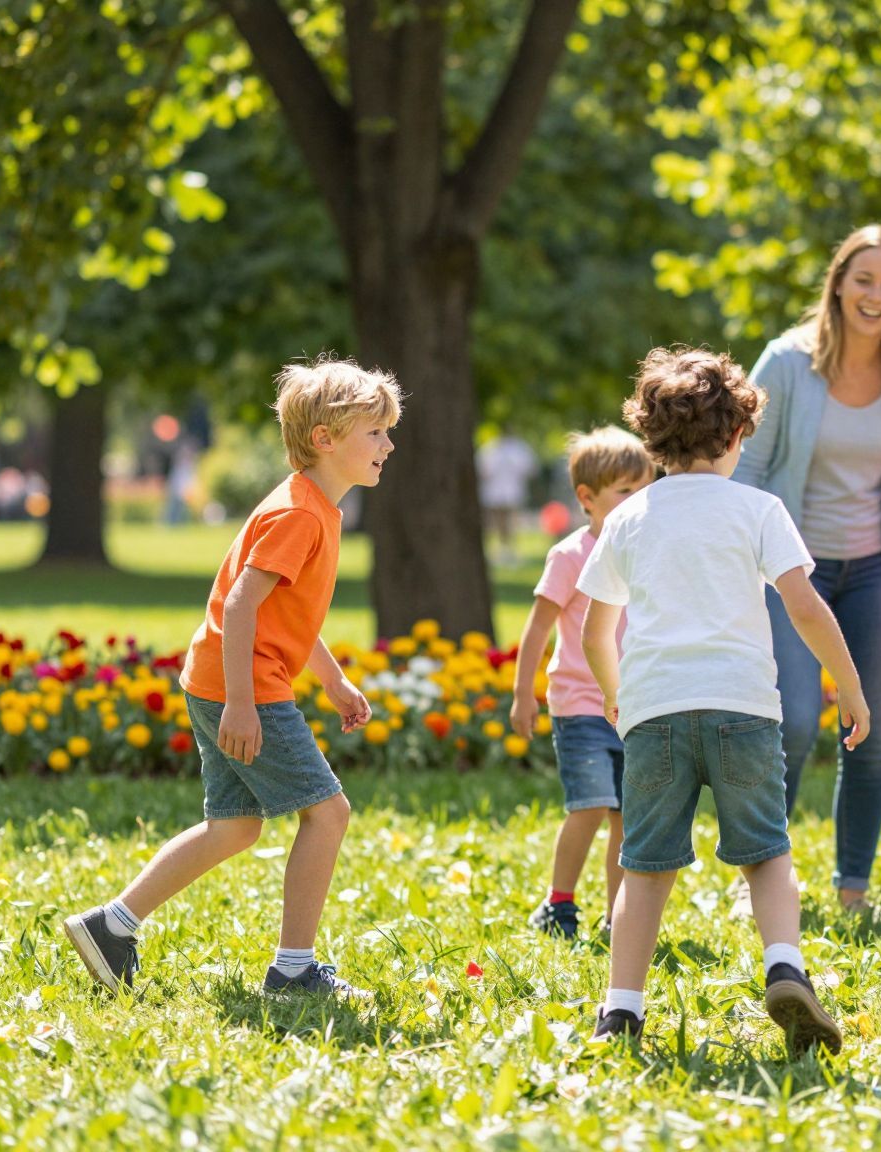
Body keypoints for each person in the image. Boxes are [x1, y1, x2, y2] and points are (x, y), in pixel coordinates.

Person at [64, 358, 400, 1000]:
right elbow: (242, 606)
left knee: (236, 826)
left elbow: (283, 616)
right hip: (240, 686)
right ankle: (294, 970)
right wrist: (244, 706)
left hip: (219, 678)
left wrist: (331, 681)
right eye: (375, 432)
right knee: (328, 815)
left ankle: (112, 926)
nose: (388, 444)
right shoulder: (301, 513)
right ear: (326, 439)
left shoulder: (314, 506)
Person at [581, 347, 870, 1053]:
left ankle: (621, 1010)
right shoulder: (758, 509)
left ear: (652, 437)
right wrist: (850, 685)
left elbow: (594, 630)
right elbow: (804, 607)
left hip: (655, 713)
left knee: (644, 869)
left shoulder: (630, 516)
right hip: (742, 708)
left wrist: (623, 701)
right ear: (740, 434)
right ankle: (785, 966)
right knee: (766, 856)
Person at [737, 224, 881, 913]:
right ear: (838, 283)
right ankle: (768, 880)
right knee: (793, 723)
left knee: (872, 733)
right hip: (792, 575)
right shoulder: (787, 364)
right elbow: (748, 469)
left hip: (875, 574)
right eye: (864, 279)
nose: (876, 295)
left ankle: (853, 888)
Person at [509, 427, 656, 941]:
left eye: (645, 488)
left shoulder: (647, 553)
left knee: (624, 815)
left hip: (632, 707)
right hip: (579, 707)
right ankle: (559, 902)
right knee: (589, 805)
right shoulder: (571, 555)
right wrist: (522, 694)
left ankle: (619, 916)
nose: (638, 501)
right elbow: (537, 629)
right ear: (588, 499)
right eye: (624, 491)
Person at [477, 429, 538, 566]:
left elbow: (529, 469)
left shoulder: (516, 448)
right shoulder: (491, 448)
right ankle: (500, 551)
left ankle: (509, 551)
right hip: (495, 494)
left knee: (510, 524)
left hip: (511, 492)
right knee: (496, 524)